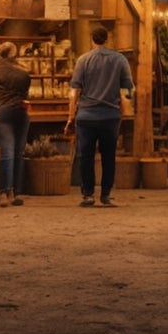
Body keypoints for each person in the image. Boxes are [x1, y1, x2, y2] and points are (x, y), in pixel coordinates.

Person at [64, 26, 134, 207]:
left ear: (92, 40)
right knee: (108, 156)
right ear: (107, 39)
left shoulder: (83, 60)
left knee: (86, 156)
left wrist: (71, 116)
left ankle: (88, 195)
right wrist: (125, 109)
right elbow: (127, 88)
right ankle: (106, 195)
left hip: (86, 116)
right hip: (110, 115)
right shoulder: (120, 60)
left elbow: (74, 91)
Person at [0, 41, 31, 207]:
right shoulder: (23, 73)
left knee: (7, 153)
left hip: (4, 111)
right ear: (13, 55)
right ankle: (16, 193)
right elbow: (25, 94)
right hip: (21, 111)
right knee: (19, 153)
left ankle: (4, 193)